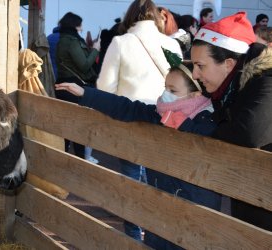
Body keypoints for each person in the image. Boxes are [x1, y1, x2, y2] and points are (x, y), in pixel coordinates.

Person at [55, 59, 222, 249]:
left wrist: (182, 124)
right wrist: (85, 93)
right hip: (159, 211)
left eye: (173, 91)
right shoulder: (161, 114)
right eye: (165, 87)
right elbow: (127, 107)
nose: (165, 95)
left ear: (195, 94)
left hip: (193, 218)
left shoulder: (207, 122)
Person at [96, 0, 181, 241]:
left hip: (130, 119)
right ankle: (158, 237)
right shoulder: (172, 44)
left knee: (132, 182)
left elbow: (105, 86)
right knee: (159, 181)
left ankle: (134, 237)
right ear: (158, 18)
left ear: (130, 17)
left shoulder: (121, 43)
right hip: (166, 119)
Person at [191, 11, 272, 230]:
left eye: (200, 66)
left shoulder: (267, 79)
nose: (195, 75)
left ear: (228, 64)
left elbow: (248, 133)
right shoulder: (228, 89)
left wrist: (201, 127)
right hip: (252, 195)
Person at [55, 12, 100, 164]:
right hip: (73, 87)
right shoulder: (71, 41)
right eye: (80, 24)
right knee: (78, 127)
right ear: (75, 24)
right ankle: (81, 161)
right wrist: (95, 49)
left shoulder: (63, 38)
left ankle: (64, 159)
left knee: (67, 128)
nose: (82, 27)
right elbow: (84, 64)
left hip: (64, 86)